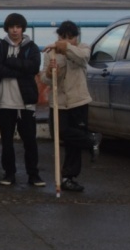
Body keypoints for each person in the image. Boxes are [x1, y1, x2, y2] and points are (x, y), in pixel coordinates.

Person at [40, 21, 100, 192]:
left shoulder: (82, 48)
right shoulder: (50, 53)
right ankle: (92, 140)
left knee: (73, 143)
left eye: (70, 38)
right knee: (62, 134)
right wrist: (51, 72)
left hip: (78, 101)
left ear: (76, 37)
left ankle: (68, 177)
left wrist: (63, 46)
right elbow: (45, 80)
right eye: (62, 37)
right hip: (59, 102)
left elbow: (83, 59)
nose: (66, 40)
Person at [0, 13, 45, 187]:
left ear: (23, 28)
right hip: (4, 101)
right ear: (7, 28)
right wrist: (21, 69)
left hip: (26, 103)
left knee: (30, 141)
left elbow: (34, 67)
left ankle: (33, 175)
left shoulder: (32, 47)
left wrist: (11, 62)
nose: (15, 30)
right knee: (6, 141)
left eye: (18, 27)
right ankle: (9, 174)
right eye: (12, 27)